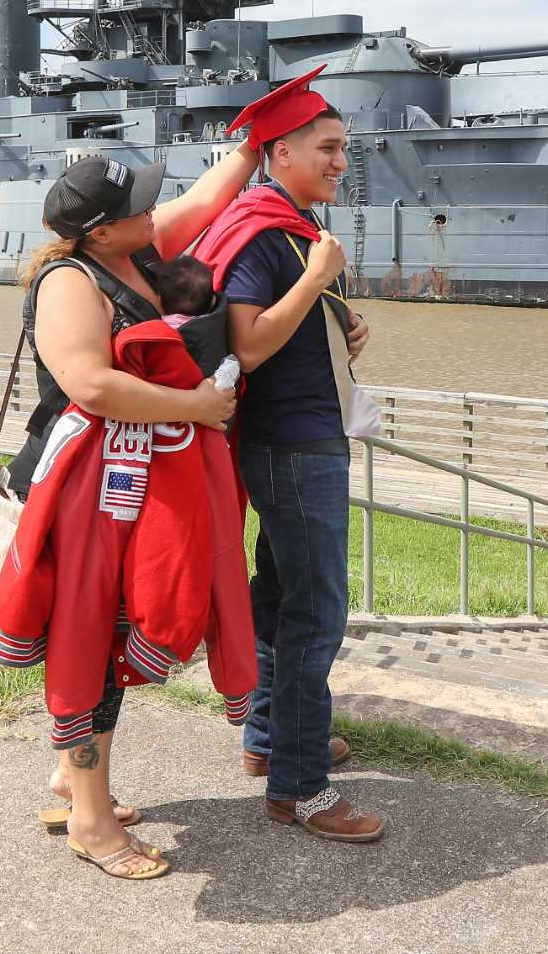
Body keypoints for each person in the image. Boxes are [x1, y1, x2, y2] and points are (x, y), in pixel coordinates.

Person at [0, 142, 257, 879]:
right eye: (139, 201)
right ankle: (91, 820)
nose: (155, 206)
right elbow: (91, 385)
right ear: (102, 229)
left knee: (106, 638)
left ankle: (70, 782)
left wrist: (255, 142)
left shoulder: (132, 250)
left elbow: (205, 198)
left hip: (133, 487)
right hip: (85, 493)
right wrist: (198, 405)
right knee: (90, 647)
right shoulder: (69, 283)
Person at [190, 66, 384, 844]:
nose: (342, 160)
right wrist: (315, 279)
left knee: (278, 598)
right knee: (316, 614)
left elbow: (287, 327)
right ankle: (300, 789)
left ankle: (271, 739)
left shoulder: (289, 226)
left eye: (343, 147)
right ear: (280, 152)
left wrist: (342, 322)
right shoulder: (267, 233)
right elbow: (248, 341)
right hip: (294, 448)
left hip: (301, 438)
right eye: (328, 147)